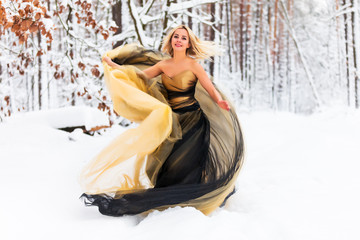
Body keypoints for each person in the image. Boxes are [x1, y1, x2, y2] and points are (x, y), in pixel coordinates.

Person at [80, 25, 244, 216]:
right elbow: (137, 75)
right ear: (171, 40)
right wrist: (114, 65)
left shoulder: (193, 66)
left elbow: (209, 88)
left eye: (184, 38)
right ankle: (172, 201)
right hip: (174, 122)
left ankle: (192, 202)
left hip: (194, 121)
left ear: (189, 43)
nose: (179, 40)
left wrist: (219, 100)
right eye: (176, 36)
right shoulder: (163, 66)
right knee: (171, 163)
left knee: (189, 163)